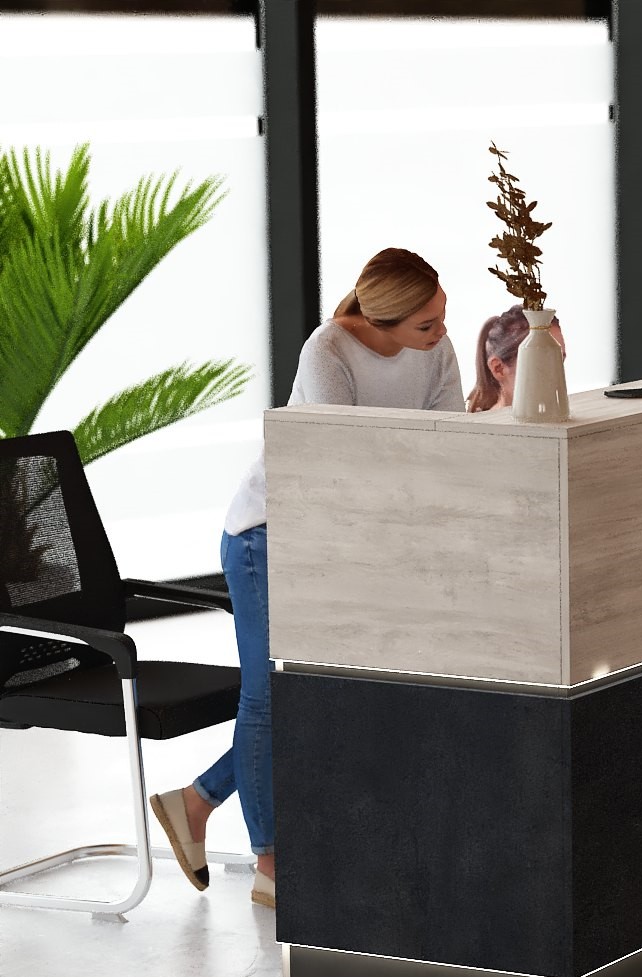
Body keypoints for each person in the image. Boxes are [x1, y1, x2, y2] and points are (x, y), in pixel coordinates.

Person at [148, 247, 465, 909]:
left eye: (441, 316)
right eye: (426, 324)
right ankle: (271, 862)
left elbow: (448, 442)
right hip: (270, 534)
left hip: (348, 539)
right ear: (381, 321)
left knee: (331, 695)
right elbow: (342, 463)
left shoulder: (435, 349)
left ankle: (196, 801)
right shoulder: (328, 352)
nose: (441, 332)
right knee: (271, 694)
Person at [467, 306, 565, 413]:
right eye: (542, 364)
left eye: (560, 362)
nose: (558, 377)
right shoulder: (483, 423)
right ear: (498, 368)